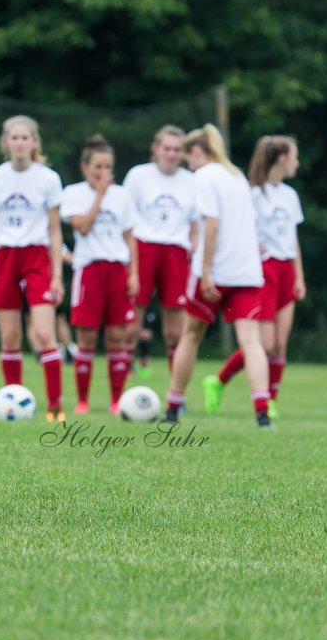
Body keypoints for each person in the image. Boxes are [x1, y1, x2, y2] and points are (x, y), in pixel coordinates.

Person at [164, 124, 273, 429]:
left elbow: (211, 224)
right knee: (251, 341)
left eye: (188, 159)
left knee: (190, 335)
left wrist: (207, 269)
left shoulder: (205, 176)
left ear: (196, 152)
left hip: (216, 269)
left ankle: (173, 407)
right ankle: (262, 412)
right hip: (247, 270)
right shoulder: (236, 176)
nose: (189, 165)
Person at [0, 115, 66, 422]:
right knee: (10, 338)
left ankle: (55, 406)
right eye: (14, 137)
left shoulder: (48, 179)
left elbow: (55, 231)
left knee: (46, 334)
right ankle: (13, 400)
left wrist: (58, 275)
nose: (20, 143)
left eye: (26, 138)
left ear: (35, 143)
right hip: (4, 258)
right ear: (6, 143)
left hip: (37, 258)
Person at [204, 136, 306, 414]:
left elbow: (293, 238)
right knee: (266, 343)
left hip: (286, 269)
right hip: (264, 270)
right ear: (282, 158)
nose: (297, 162)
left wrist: (299, 276)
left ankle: (270, 401)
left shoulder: (290, 195)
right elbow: (238, 228)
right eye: (295, 156)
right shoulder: (253, 194)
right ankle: (219, 380)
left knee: (280, 344)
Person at [60, 134, 138, 415]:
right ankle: (82, 400)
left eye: (108, 167)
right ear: (85, 167)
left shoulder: (123, 196)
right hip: (89, 269)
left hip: (117, 269)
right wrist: (100, 196)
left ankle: (116, 400)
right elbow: (82, 227)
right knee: (87, 338)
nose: (103, 173)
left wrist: (134, 274)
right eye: (98, 167)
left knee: (118, 337)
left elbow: (130, 237)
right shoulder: (73, 193)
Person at [122, 125, 197, 379]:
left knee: (176, 330)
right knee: (132, 323)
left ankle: (176, 390)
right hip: (143, 248)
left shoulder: (191, 181)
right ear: (156, 149)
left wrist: (195, 254)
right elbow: (126, 220)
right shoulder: (138, 176)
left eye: (177, 150)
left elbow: (196, 225)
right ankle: (121, 384)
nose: (172, 154)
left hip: (177, 251)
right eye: (167, 148)